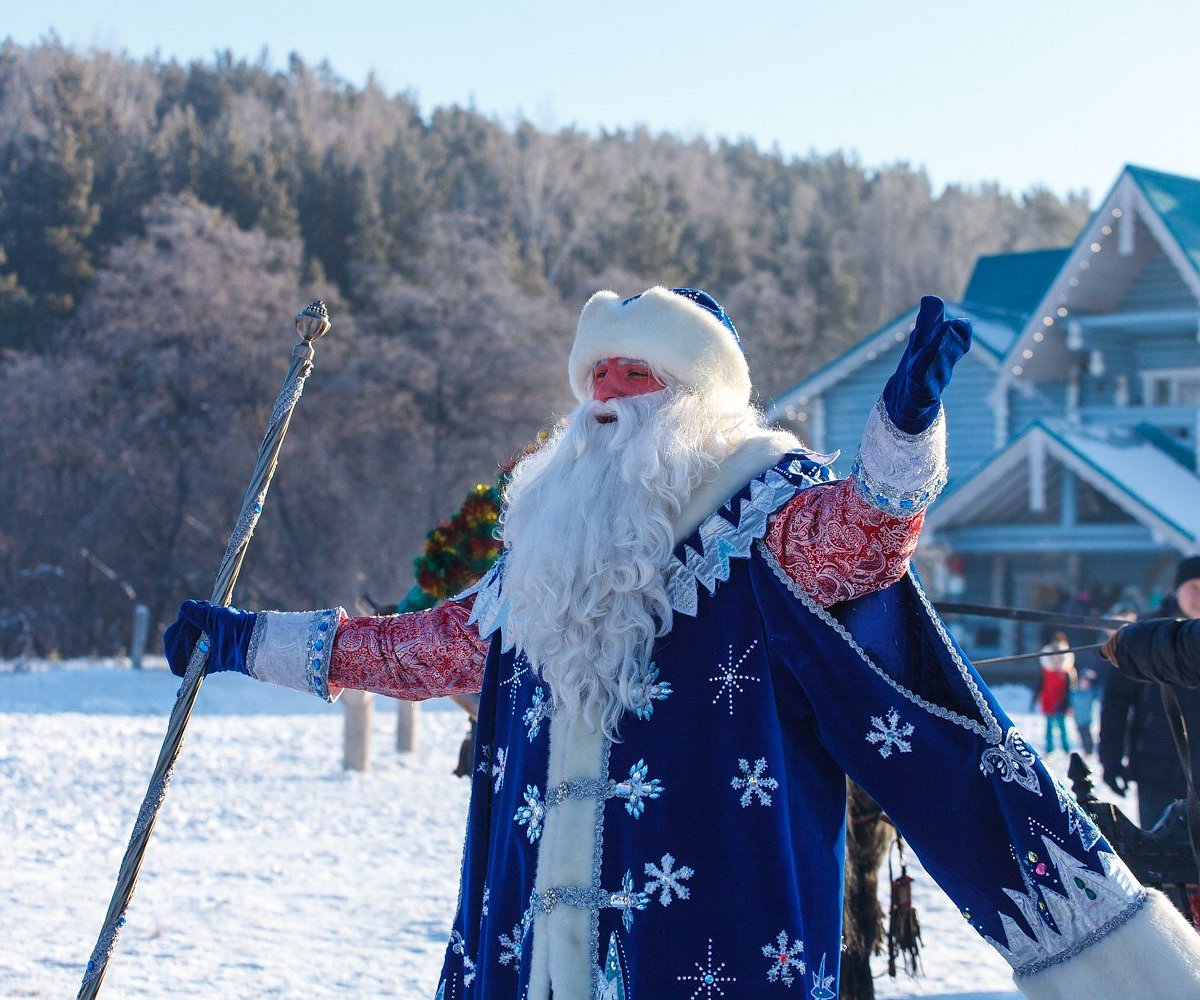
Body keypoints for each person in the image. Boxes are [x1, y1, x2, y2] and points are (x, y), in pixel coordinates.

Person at [167, 290, 1200, 998]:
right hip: (533, 954)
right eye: (596, 377)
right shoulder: (543, 549)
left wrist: (903, 432)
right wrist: (243, 639)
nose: (607, 396)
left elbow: (865, 541)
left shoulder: (762, 517)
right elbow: (413, 648)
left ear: (695, 397)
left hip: (711, 935)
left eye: (636, 374)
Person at [1100, 558, 1200, 830]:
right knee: (1161, 861)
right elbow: (1116, 702)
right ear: (1177, 589)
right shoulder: (1144, 637)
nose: (1199, 595)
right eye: (1193, 586)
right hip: (1156, 770)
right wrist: (1111, 758)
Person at [1101, 558, 1200, 687]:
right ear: (1177, 590)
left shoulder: (1140, 634)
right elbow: (1117, 694)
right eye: (1194, 587)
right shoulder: (1144, 628)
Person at [1036, 631, 1074, 754]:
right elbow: (1041, 682)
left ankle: (1066, 748)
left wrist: (1069, 700)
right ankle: (1050, 748)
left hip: (1062, 698)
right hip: (1049, 697)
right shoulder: (1047, 665)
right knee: (1050, 725)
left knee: (1062, 725)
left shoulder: (1067, 669)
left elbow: (1071, 685)